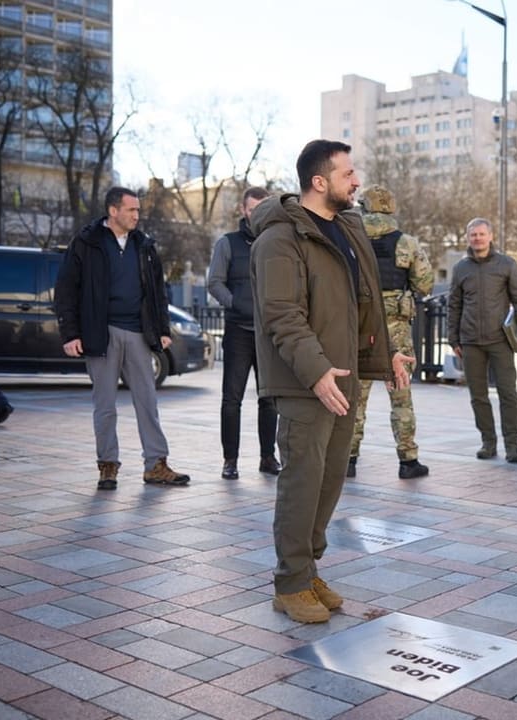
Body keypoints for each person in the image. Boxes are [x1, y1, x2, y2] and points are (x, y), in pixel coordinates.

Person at [250, 140, 411, 624]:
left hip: (343, 376)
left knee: (330, 479)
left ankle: (309, 567)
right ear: (319, 182)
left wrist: (384, 358)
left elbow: (364, 304)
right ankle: (290, 581)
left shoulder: (347, 229)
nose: (356, 180)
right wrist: (316, 370)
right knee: (302, 482)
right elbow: (282, 315)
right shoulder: (279, 239)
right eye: (347, 173)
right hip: (305, 381)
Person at [54, 187, 191, 491]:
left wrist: (162, 330)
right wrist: (70, 333)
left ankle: (155, 464)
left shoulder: (143, 245)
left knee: (147, 401)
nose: (137, 216)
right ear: (113, 211)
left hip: (138, 333)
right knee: (104, 404)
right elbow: (66, 289)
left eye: (138, 210)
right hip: (101, 334)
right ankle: (108, 467)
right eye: (131, 210)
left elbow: (158, 291)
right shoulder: (86, 242)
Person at [347, 185, 434, 480]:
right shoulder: (406, 243)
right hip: (396, 328)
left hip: (361, 326)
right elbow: (424, 284)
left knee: (356, 397)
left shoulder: (352, 239)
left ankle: (348, 459)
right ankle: (408, 460)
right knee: (401, 396)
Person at [208, 187, 280, 480]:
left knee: (270, 400)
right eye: (253, 209)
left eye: (263, 208)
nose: (257, 214)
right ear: (243, 210)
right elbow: (214, 282)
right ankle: (230, 460)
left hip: (268, 336)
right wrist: (235, 304)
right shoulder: (228, 244)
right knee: (231, 400)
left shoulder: (277, 244)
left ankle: (267, 457)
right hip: (238, 333)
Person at [447, 218, 517, 463]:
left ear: (490, 236)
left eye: (482, 234)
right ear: (468, 238)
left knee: (508, 394)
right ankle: (488, 442)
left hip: (500, 341)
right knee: (478, 396)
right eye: (473, 235)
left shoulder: (506, 265)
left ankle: (512, 445)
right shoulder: (461, 268)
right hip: (470, 342)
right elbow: (454, 305)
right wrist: (453, 339)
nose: (478, 239)